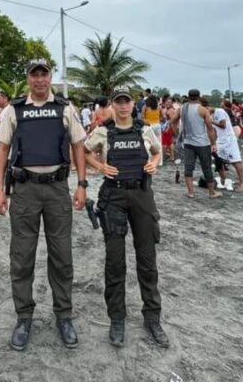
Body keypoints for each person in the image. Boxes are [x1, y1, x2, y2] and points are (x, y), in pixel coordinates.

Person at [0, 58, 87, 351]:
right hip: (24, 190)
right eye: (34, 75)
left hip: (57, 189)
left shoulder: (65, 108)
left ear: (50, 78)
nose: (39, 80)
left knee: (62, 257)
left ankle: (64, 316)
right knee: (22, 258)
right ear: (28, 79)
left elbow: (78, 146)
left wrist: (82, 184)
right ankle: (23, 318)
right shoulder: (14, 110)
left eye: (44, 74)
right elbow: (3, 150)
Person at [83, 85, 168, 348]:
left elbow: (157, 151)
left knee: (147, 260)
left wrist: (154, 163)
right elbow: (84, 152)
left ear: (133, 104)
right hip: (114, 198)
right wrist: (99, 165)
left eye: (126, 102)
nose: (122, 106)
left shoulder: (144, 129)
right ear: (111, 105)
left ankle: (152, 318)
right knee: (115, 262)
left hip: (142, 197)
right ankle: (117, 319)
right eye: (118, 102)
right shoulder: (103, 131)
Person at [173, 89, 220, 199]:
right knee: (206, 168)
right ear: (199, 97)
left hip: (188, 143)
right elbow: (210, 129)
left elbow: (172, 121)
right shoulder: (203, 110)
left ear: (188, 96)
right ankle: (211, 192)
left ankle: (190, 192)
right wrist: (213, 143)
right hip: (203, 143)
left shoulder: (182, 108)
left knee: (188, 167)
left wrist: (177, 133)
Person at [214, 100, 243, 191]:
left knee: (235, 160)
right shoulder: (220, 111)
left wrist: (211, 121)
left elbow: (223, 125)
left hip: (229, 136)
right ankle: (225, 179)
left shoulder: (221, 111)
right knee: (220, 159)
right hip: (223, 138)